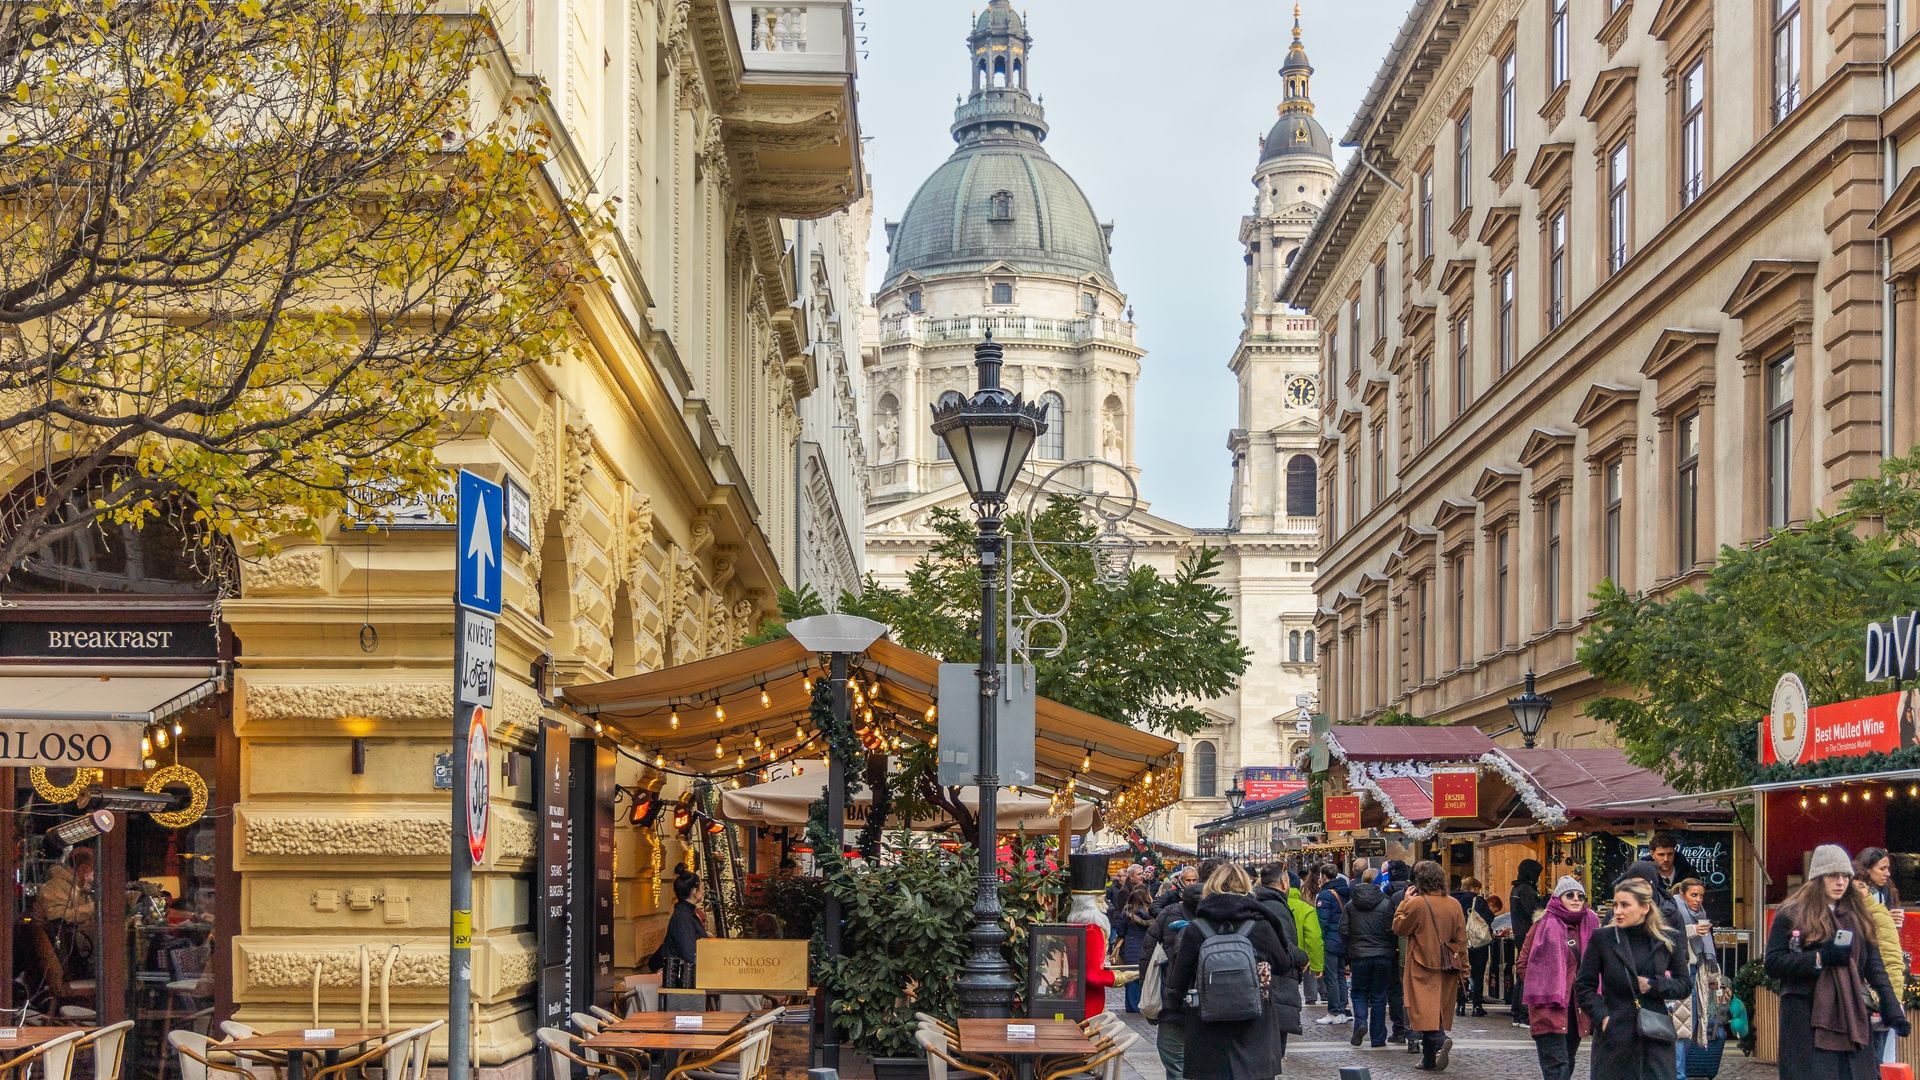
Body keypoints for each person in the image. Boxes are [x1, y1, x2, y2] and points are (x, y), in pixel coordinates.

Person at [1765, 845, 1909, 1077]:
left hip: (1852, 1017)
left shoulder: (1858, 915)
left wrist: (1892, 1009)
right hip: (1807, 1018)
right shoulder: (1792, 913)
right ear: (1818, 878)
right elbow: (1773, 963)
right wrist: (1820, 959)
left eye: (1844, 876)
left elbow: (1875, 967)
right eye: (1833, 876)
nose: (1840, 882)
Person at [1163, 862, 1300, 1080]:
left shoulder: (1196, 929)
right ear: (1247, 886)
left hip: (1208, 1025)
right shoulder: (1260, 925)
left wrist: (1173, 1008)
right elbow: (1283, 965)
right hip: (1255, 1023)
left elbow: (1178, 979)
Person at [1577, 877, 1692, 1080]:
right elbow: (1584, 985)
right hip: (1615, 1036)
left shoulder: (1667, 940)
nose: (1617, 911)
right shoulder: (1603, 939)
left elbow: (1684, 985)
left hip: (1655, 1035)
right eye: (1615, 905)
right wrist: (1602, 1016)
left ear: (1644, 907)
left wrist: (1654, 986)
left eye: (1625, 905)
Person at [1515, 876, 1597, 1080]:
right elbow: (1522, 963)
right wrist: (1542, 984)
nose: (1576, 899)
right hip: (1548, 1006)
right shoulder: (1542, 925)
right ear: (1558, 898)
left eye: (1581, 895)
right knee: (1556, 1065)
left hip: (1577, 1007)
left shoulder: (1591, 925)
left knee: (1567, 1061)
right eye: (1570, 895)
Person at [1149, 857, 1219, 1080]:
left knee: (1173, 1054)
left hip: (1177, 1000)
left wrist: (1155, 998)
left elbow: (1147, 956)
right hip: (1215, 1001)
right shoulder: (1226, 917)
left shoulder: (1171, 914)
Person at [1393, 860, 1466, 1071]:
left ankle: (1440, 1039)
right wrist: (1465, 967)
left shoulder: (1416, 903)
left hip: (1422, 965)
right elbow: (1461, 939)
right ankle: (1428, 1059)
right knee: (1437, 1011)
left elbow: (1399, 927)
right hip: (1448, 965)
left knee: (1422, 1012)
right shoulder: (1454, 904)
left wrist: (1404, 902)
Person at [1852, 853, 1909, 1063]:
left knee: (1874, 1060)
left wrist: (1889, 999)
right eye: (1882, 868)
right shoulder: (1861, 910)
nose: (1887, 873)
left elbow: (1886, 960)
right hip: (1873, 995)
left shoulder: (1876, 907)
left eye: (1887, 868)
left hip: (1873, 997)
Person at [1252, 865, 1309, 1065]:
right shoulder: (1276, 907)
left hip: (1267, 984)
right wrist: (1302, 957)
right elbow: (1283, 945)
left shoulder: (1260, 901)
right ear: (1285, 883)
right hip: (1276, 985)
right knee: (1271, 1055)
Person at [1342, 867, 1398, 1048]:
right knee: (1379, 997)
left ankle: (1360, 1023)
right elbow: (1392, 930)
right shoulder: (1386, 903)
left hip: (1359, 955)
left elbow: (1343, 930)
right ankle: (1378, 1037)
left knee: (1358, 993)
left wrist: (1352, 945)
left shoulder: (1351, 905)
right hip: (1383, 955)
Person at [654, 869, 708, 992]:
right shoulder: (683, 917)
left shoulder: (686, 913)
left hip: (688, 980)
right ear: (694, 891)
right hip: (684, 984)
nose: (703, 891)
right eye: (702, 887)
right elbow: (688, 951)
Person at [1316, 861, 1353, 1024]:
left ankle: (1334, 1011)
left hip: (1331, 938)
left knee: (1331, 976)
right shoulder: (1346, 891)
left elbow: (1322, 921)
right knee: (1340, 975)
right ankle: (1343, 1008)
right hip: (1343, 938)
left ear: (1324, 877)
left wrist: (1321, 938)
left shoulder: (1325, 895)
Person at [1452, 877, 1495, 1018]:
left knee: (1460, 973)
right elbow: (1489, 917)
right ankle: (1477, 1005)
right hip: (1477, 944)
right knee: (1477, 974)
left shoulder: (1452, 899)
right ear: (1473, 888)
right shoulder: (1479, 901)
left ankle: (1460, 1005)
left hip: (1458, 943)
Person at [1509, 859, 1544, 1026]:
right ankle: (1523, 1014)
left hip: (1519, 933)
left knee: (1521, 973)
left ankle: (1516, 1011)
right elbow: (1534, 912)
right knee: (1527, 974)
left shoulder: (1516, 888)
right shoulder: (1526, 890)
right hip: (1529, 935)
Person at [1116, 887, 1156, 1013]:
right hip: (1147, 947)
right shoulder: (1153, 915)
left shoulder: (1126, 914)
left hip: (1130, 948)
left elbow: (1121, 931)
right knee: (1145, 977)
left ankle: (1132, 1006)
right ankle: (1143, 1004)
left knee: (1131, 977)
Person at [1648, 833, 1699, 897]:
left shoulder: (1689, 874)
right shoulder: (1643, 877)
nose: (1666, 859)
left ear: (1674, 852)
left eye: (1670, 854)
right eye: (1661, 855)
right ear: (1652, 854)